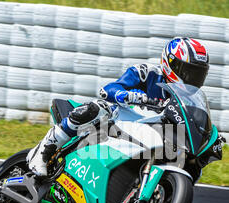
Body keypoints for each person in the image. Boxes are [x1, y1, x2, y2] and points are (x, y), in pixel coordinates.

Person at [27, 37, 210, 177]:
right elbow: (108, 89)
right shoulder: (148, 73)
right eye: (187, 71)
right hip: (121, 119)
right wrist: (129, 95)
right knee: (97, 108)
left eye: (197, 75)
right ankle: (45, 149)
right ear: (170, 64)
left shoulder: (191, 99)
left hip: (151, 136)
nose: (190, 79)